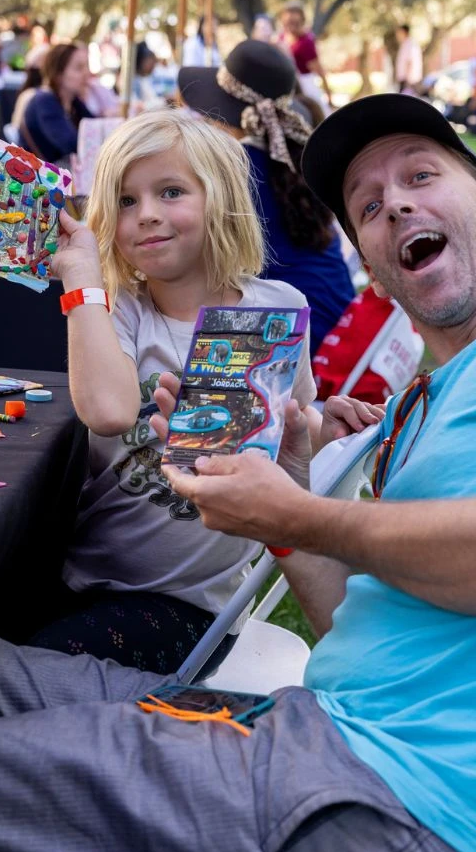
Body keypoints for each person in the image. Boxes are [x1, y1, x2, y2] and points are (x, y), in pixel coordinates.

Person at [0, 95, 476, 852]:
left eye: (421, 175)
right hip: (312, 723)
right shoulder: (414, 409)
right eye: (368, 206)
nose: (397, 202)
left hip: (402, 793)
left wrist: (303, 513)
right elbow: (350, 622)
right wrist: (284, 500)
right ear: (369, 264)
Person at [32, 109, 318, 675]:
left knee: (29, 669)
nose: (147, 216)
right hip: (87, 581)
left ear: (222, 199)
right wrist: (84, 283)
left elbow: (299, 419)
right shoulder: (120, 311)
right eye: (127, 201)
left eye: (170, 191)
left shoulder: (278, 307)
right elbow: (109, 411)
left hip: (196, 610)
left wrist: (336, 418)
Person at [179, 39, 354, 355]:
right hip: (337, 322)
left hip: (288, 340)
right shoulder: (295, 158)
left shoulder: (232, 170)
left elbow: (198, 266)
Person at [20, 42, 93, 167]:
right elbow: (71, 144)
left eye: (87, 66)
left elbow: (93, 125)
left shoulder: (73, 102)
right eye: (79, 68)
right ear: (58, 74)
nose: (87, 73)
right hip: (36, 180)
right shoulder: (44, 101)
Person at [276, 0, 331, 114]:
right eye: (288, 22)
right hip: (286, 87)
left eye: (295, 22)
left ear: (301, 20)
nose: (291, 26)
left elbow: (317, 68)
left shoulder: (306, 41)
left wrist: (328, 93)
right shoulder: (281, 38)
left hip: (305, 86)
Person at [393, 23, 422, 95]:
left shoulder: (410, 44)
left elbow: (410, 61)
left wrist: (408, 79)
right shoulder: (405, 44)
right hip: (405, 79)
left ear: (403, 32)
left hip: (408, 80)